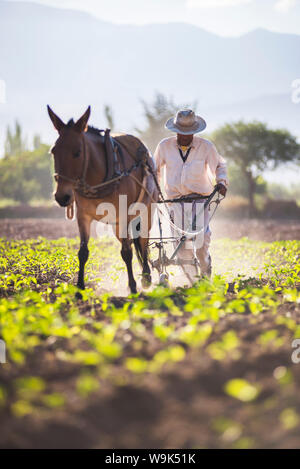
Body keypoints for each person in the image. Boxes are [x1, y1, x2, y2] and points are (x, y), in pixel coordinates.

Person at [154, 109, 228, 278]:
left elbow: (220, 166)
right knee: (180, 242)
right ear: (176, 131)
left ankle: (205, 267)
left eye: (189, 133)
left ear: (195, 132)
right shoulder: (164, 147)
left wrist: (222, 182)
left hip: (200, 199)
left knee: (201, 239)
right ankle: (192, 278)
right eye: (181, 133)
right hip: (175, 200)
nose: (185, 136)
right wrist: (155, 191)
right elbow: (154, 170)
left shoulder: (206, 147)